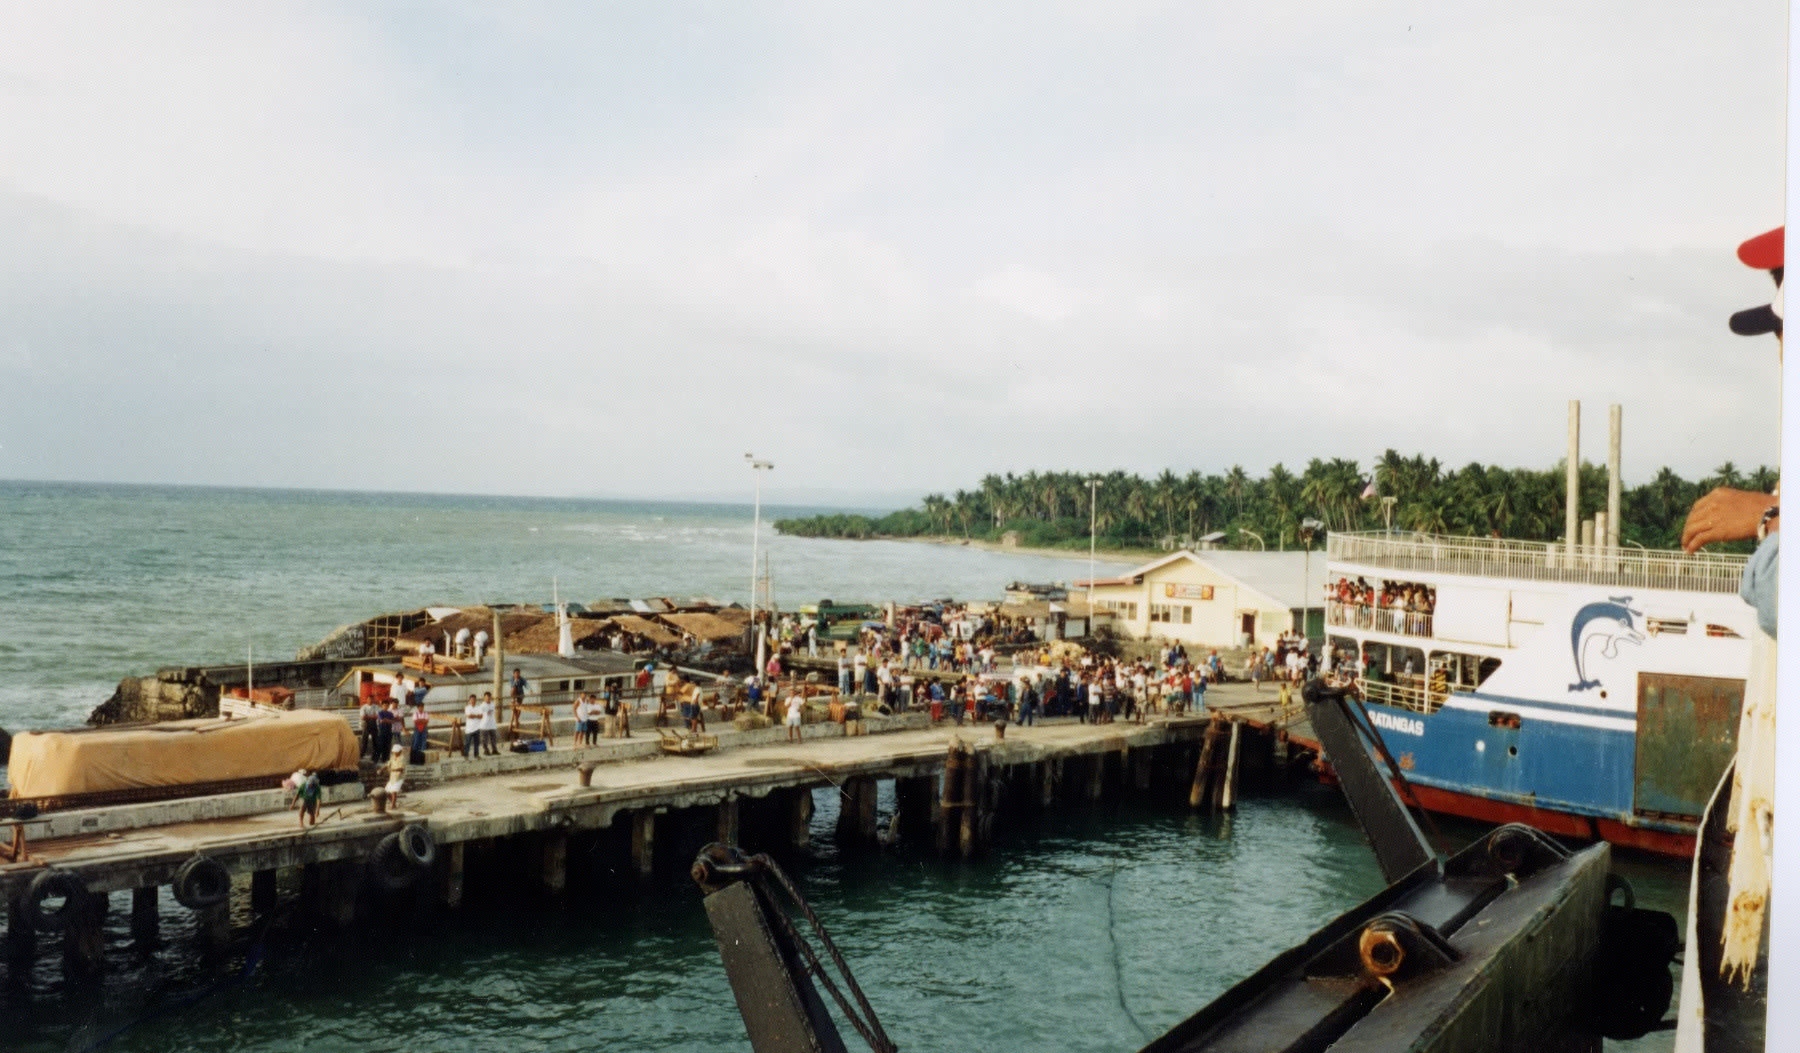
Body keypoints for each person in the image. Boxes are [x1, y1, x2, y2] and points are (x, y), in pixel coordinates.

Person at [359, 694, 380, 760]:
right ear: (367, 700)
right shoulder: (363, 707)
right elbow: (362, 717)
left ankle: (375, 756)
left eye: (371, 699)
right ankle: (361, 755)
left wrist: (368, 717)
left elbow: (377, 716)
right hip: (366, 725)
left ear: (373, 700)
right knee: (364, 741)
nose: (370, 700)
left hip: (374, 725)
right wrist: (372, 717)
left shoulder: (376, 707)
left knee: (375, 741)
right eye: (369, 699)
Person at [463, 694, 483, 759]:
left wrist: (474, 715)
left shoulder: (479, 707)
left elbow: (481, 716)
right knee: (467, 743)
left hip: (477, 727)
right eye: (471, 700)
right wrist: (476, 716)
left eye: (474, 700)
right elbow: (469, 716)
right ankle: (466, 755)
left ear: (476, 700)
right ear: (469, 700)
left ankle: (476, 755)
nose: (472, 701)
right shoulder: (467, 708)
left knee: (476, 743)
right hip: (469, 728)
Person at [479, 691, 499, 756]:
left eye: (489, 698)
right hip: (484, 725)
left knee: (494, 738)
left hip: (492, 724)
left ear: (491, 698)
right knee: (484, 739)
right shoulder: (482, 706)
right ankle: (486, 750)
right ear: (484, 698)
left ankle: (494, 750)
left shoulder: (492, 704)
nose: (488, 699)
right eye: (486, 698)